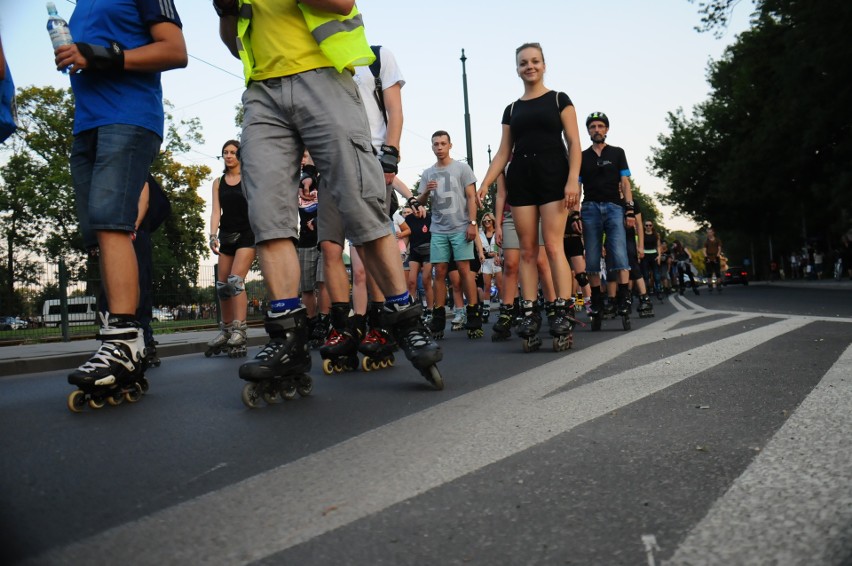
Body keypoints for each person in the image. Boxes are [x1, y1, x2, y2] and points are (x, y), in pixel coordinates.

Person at [213, 1, 442, 390]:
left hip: (322, 78)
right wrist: (226, 11)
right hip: (262, 92)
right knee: (268, 217)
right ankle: (288, 338)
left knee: (362, 206)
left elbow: (341, 4)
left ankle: (404, 317)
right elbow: (234, 44)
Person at [57, 0, 186, 398]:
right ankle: (122, 340)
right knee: (98, 233)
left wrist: (101, 55)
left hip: (128, 117)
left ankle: (125, 340)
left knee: (114, 223)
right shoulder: (80, 7)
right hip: (87, 124)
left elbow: (175, 50)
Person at [475, 42, 581, 352]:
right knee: (527, 251)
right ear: (517, 68)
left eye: (535, 61)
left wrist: (573, 179)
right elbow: (504, 151)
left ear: (544, 65)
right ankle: (531, 311)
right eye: (523, 62)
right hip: (522, 177)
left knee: (553, 246)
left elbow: (574, 142)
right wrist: (485, 183)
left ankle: (562, 310)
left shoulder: (560, 99)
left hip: (554, 175)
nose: (529, 66)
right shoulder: (512, 109)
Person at [574, 111, 636, 327]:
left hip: (614, 207)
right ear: (588, 131)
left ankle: (624, 298)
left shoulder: (618, 153)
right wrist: (575, 214)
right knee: (591, 258)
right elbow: (577, 186)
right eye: (593, 127)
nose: (597, 130)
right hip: (590, 208)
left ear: (607, 129)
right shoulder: (582, 157)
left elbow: (625, 183)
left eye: (601, 126)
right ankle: (598, 301)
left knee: (619, 253)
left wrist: (629, 210)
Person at [417, 130, 481, 339]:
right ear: (432, 147)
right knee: (440, 272)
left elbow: (471, 197)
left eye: (443, 143)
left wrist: (472, 223)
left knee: (464, 271)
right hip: (438, 229)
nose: (440, 147)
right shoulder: (428, 173)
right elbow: (419, 203)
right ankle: (438, 316)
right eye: (436, 144)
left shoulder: (462, 168)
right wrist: (426, 191)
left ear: (450, 145)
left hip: (460, 227)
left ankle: (473, 313)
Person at [208, 139, 256, 357]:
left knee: (235, 281)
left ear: (240, 155)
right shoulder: (218, 182)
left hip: (248, 233)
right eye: (225, 152)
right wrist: (212, 235)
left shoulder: (249, 178)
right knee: (222, 286)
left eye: (232, 152)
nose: (228, 156)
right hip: (227, 234)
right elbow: (216, 211)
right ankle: (226, 330)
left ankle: (240, 329)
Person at [478, 212, 502, 321]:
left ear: (492, 221)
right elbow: (479, 250)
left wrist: (497, 255)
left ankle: (503, 308)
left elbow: (500, 245)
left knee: (500, 285)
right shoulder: (480, 234)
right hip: (486, 262)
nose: (487, 222)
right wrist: (487, 254)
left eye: (489, 220)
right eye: (485, 221)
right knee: (486, 286)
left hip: (496, 261)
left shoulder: (497, 232)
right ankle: (486, 309)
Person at [640, 219, 663, 299]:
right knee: (645, 275)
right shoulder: (642, 234)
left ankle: (659, 291)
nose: (648, 227)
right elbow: (639, 245)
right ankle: (646, 292)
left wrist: (659, 256)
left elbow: (658, 246)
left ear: (652, 226)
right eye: (647, 225)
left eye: (650, 225)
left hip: (654, 255)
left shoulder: (656, 235)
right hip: (645, 256)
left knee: (656, 275)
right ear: (644, 226)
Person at [703, 227, 723, 291]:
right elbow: (704, 250)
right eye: (708, 232)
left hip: (715, 256)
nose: (709, 234)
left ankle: (719, 284)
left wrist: (717, 257)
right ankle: (710, 285)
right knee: (709, 273)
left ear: (713, 233)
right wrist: (706, 257)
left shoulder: (717, 240)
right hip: (709, 257)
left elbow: (719, 249)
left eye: (710, 232)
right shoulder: (706, 241)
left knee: (717, 272)